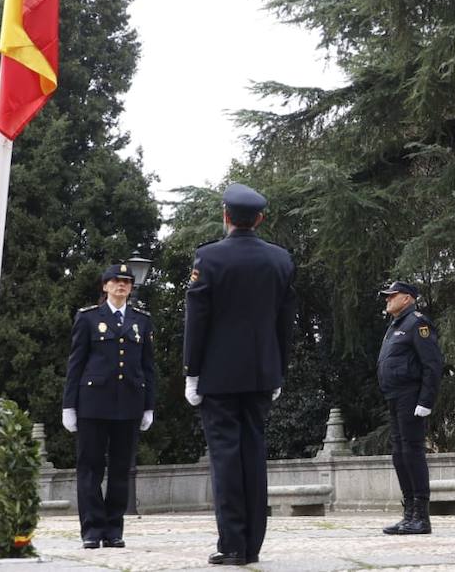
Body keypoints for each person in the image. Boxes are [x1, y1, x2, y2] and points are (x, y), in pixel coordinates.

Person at [183, 183, 297, 566]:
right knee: (253, 454)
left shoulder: (209, 258)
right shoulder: (281, 260)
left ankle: (232, 543)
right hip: (263, 373)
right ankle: (252, 545)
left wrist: (191, 372)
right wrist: (279, 370)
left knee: (226, 458)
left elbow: (197, 321)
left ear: (226, 217)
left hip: (219, 375)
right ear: (260, 219)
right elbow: (285, 323)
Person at [61, 263, 156, 549]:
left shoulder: (141, 320)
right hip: (93, 404)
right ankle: (91, 530)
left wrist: (149, 405)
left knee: (120, 469)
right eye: (115, 281)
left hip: (129, 403)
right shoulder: (89, 318)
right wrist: (69, 405)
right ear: (105, 286)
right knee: (90, 468)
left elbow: (148, 367)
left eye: (126, 282)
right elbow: (75, 363)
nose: (121, 285)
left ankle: (114, 529)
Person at [378, 279, 444, 535]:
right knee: (399, 454)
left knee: (412, 452)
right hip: (394, 397)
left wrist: (426, 401)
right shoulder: (396, 325)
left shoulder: (418, 322)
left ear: (407, 298)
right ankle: (408, 515)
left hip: (410, 396)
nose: (388, 299)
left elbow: (432, 364)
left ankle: (421, 517)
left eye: (392, 295)